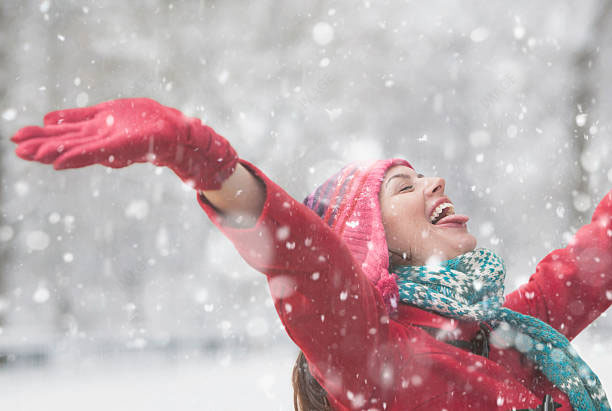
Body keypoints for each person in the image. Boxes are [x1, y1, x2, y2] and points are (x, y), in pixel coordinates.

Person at [10, 98, 612, 410]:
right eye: (404, 186)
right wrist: (201, 159)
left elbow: (590, 264)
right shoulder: (375, 357)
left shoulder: (512, 330)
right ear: (371, 246)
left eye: (423, 175)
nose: (436, 183)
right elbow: (305, 262)